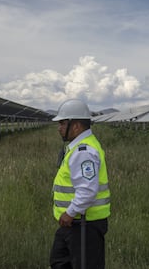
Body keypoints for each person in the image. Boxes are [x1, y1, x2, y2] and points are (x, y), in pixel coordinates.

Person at [50, 99, 111, 269]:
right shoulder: (78, 148)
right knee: (59, 262)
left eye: (62, 123)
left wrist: (69, 213)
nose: (59, 128)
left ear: (76, 126)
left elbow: (87, 191)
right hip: (74, 224)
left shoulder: (84, 151)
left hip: (83, 225)